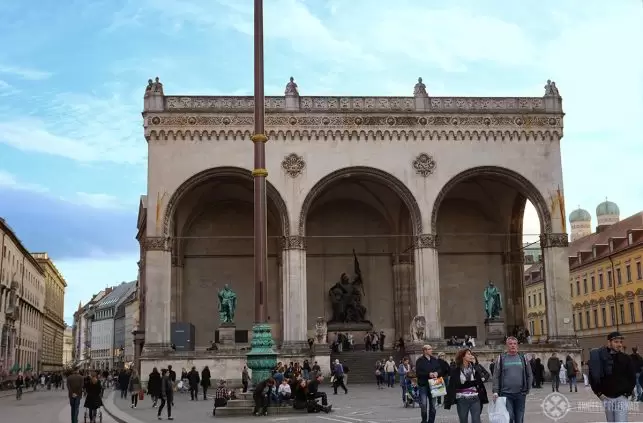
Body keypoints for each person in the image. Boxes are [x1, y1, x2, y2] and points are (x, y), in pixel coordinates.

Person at [589, 331, 636, 421]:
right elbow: (592, 377)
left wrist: (627, 393)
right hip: (606, 398)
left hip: (621, 397)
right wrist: (599, 394)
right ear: (609, 342)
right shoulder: (599, 357)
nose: (619, 345)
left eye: (621, 342)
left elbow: (632, 377)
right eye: (616, 342)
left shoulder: (626, 358)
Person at [491, 336, 532, 423]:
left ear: (517, 345)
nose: (512, 345)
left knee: (519, 418)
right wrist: (495, 391)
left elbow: (529, 374)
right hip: (505, 394)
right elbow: (496, 376)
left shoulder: (523, 358)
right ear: (507, 346)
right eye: (510, 344)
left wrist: (527, 388)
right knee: (509, 417)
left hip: (520, 394)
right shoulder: (501, 358)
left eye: (514, 344)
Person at [444, 348, 488, 423]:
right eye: (468, 354)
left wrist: (476, 365)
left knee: (476, 420)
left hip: (475, 398)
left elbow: (480, 380)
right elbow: (455, 385)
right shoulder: (456, 370)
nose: (471, 356)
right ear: (463, 356)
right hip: (462, 399)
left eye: (471, 354)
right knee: (463, 420)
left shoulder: (474, 368)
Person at [415, 344, 445, 423]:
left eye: (431, 349)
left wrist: (437, 373)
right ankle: (424, 420)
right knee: (424, 405)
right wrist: (428, 374)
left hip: (434, 384)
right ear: (425, 351)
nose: (431, 350)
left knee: (433, 405)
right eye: (429, 349)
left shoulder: (434, 359)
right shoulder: (420, 360)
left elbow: (439, 369)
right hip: (423, 385)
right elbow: (418, 373)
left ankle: (431, 421)